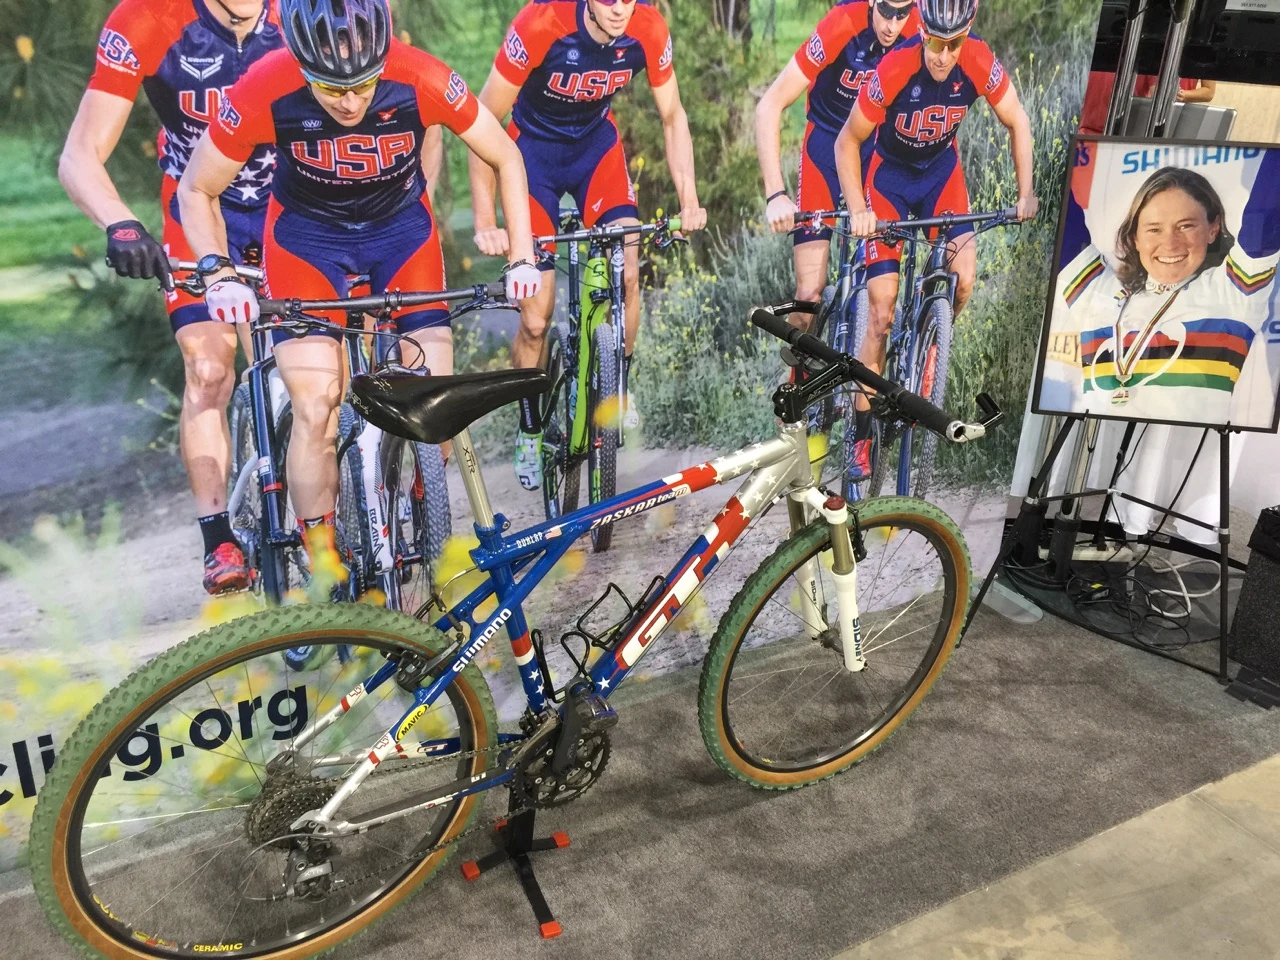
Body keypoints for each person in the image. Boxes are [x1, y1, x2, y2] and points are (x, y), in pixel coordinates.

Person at [178, 0, 541, 568]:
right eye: (331, 88)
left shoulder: (421, 75)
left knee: (437, 403)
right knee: (316, 404)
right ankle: (323, 562)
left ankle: (423, 497)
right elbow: (196, 188)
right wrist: (217, 271)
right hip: (306, 241)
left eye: (364, 84)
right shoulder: (264, 86)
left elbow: (506, 156)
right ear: (302, 66)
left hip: (401, 236)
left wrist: (521, 257)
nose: (349, 102)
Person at [59, 0, 284, 594]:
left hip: (294, 205)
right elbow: (80, 154)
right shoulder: (147, 18)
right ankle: (219, 538)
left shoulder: (303, 14)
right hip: (196, 206)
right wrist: (120, 223)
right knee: (208, 370)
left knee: (320, 368)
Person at [468, 0, 707, 490]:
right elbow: (482, 120)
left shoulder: (648, 28)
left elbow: (673, 114)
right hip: (529, 157)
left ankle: (619, 386)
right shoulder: (542, 23)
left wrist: (689, 199)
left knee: (628, 271)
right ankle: (530, 429)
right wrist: (486, 220)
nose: (619, 8)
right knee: (535, 318)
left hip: (596, 151)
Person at [834, 0, 1037, 478]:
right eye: (934, 42)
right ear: (921, 31)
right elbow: (847, 141)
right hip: (889, 181)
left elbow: (1018, 121)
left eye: (954, 43)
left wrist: (1025, 193)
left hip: (941, 177)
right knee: (881, 313)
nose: (943, 55)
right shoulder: (895, 67)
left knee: (963, 279)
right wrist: (859, 210)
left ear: (967, 35)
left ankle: (929, 343)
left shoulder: (979, 60)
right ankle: (859, 438)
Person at [1050, 158, 1280, 426]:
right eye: (1154, 229)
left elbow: (1265, 216)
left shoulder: (1232, 291)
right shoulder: (1096, 293)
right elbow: (1056, 197)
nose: (1170, 243)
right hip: (1094, 444)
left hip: (1190, 451)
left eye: (1186, 226)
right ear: (1135, 237)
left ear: (1213, 229)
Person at [755, 0, 920, 327]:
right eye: (886, 11)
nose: (892, 24)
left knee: (882, 300)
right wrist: (776, 195)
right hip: (826, 145)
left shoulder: (918, 30)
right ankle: (798, 361)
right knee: (809, 294)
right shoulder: (842, 23)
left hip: (876, 146)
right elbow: (769, 105)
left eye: (902, 13)